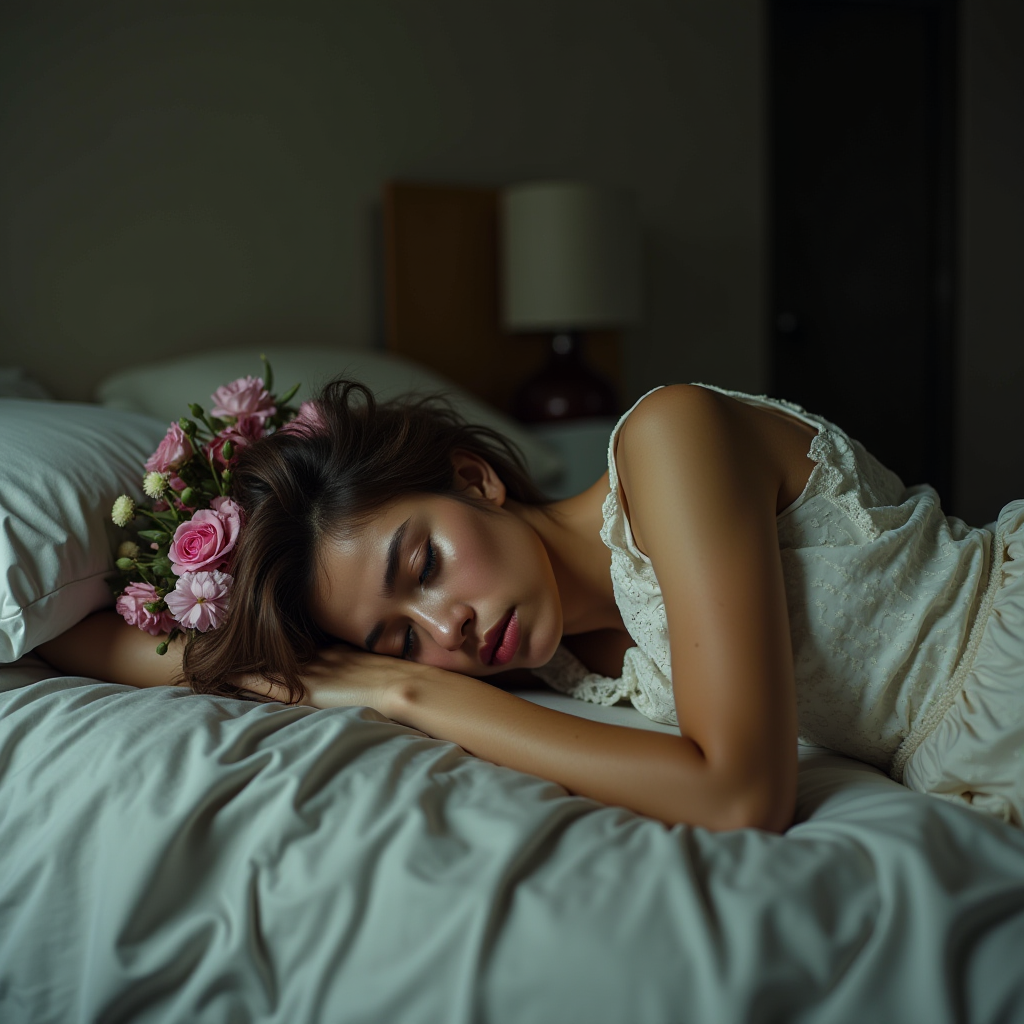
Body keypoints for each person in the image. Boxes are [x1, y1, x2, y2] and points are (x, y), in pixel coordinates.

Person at [38, 380, 1024, 832]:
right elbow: (138, 649)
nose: (444, 630)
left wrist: (406, 693)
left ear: (476, 478)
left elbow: (739, 795)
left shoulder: (667, 444)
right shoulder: (556, 663)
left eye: (421, 564)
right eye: (397, 637)